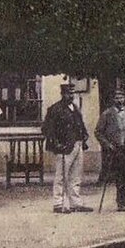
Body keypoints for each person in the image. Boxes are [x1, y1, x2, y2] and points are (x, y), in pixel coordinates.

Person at [41, 83, 92, 213]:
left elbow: (80, 123)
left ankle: (75, 203)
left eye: (72, 93)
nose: (71, 96)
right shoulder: (55, 109)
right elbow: (47, 129)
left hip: (78, 145)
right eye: (68, 93)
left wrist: (84, 134)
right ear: (62, 94)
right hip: (64, 148)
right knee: (61, 176)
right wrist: (57, 144)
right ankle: (58, 204)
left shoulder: (75, 108)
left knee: (76, 176)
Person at [94, 89, 125, 212]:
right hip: (117, 148)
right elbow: (98, 132)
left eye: (121, 97)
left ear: (124, 99)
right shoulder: (107, 114)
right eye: (116, 98)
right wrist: (108, 145)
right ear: (113, 100)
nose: (119, 100)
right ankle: (121, 203)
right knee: (120, 176)